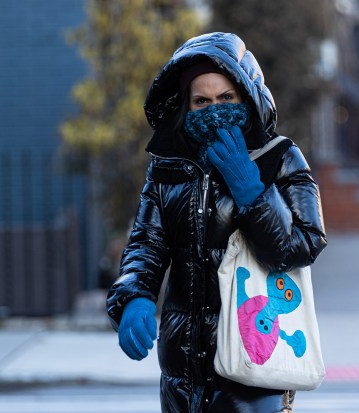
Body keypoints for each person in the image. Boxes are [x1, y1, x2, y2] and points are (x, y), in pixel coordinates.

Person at [106, 32, 327, 412]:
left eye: (226, 98)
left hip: (254, 365)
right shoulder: (167, 166)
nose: (214, 109)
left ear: (247, 96)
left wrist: (252, 192)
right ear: (185, 107)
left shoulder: (281, 158)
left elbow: (302, 246)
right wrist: (133, 296)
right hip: (183, 371)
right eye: (201, 101)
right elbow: (146, 243)